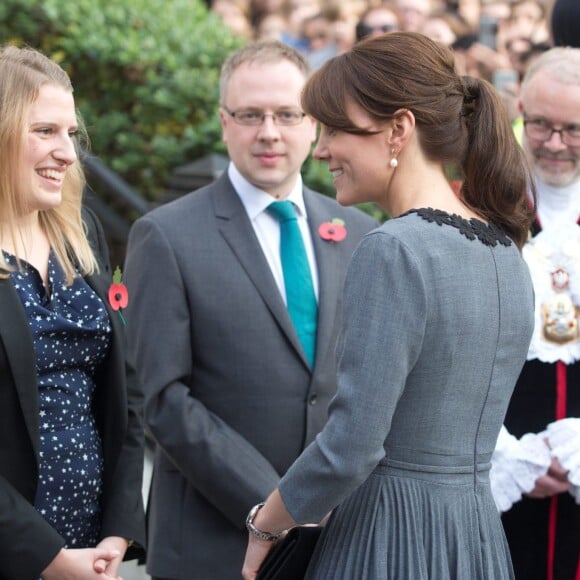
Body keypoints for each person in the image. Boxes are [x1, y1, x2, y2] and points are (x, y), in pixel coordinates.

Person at [241, 31, 537, 580]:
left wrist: (266, 523)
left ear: (399, 128)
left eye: (335, 128)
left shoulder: (393, 248)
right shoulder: (506, 252)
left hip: (388, 541)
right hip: (475, 540)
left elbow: (349, 448)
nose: (323, 148)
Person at [123, 39, 377, 580]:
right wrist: (277, 504)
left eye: (287, 114)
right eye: (249, 115)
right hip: (213, 544)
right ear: (223, 122)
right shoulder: (166, 236)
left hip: (338, 544)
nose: (269, 131)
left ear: (313, 125)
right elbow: (165, 399)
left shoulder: (360, 232)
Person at [0, 45, 146, 579]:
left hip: (91, 549)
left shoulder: (80, 234)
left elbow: (124, 391)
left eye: (70, 133)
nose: (67, 152)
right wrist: (45, 558)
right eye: (44, 131)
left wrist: (120, 527)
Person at [490, 47, 580, 580]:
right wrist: (500, 451)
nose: (553, 143)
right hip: (499, 472)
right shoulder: (478, 205)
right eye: (540, 124)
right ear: (519, 108)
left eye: (573, 130)